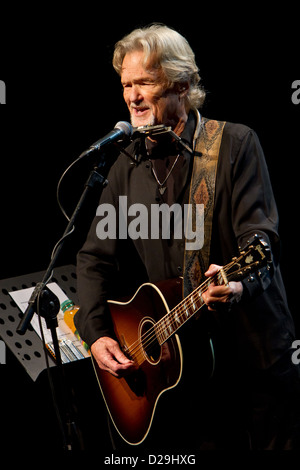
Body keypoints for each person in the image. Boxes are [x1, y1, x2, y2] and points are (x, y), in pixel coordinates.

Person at [75, 24, 300, 449]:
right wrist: (98, 333)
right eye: (126, 84)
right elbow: (93, 258)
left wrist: (236, 283)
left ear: (182, 83)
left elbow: (262, 239)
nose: (132, 96)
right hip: (183, 373)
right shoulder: (125, 162)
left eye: (145, 82)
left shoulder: (233, 143)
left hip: (251, 359)